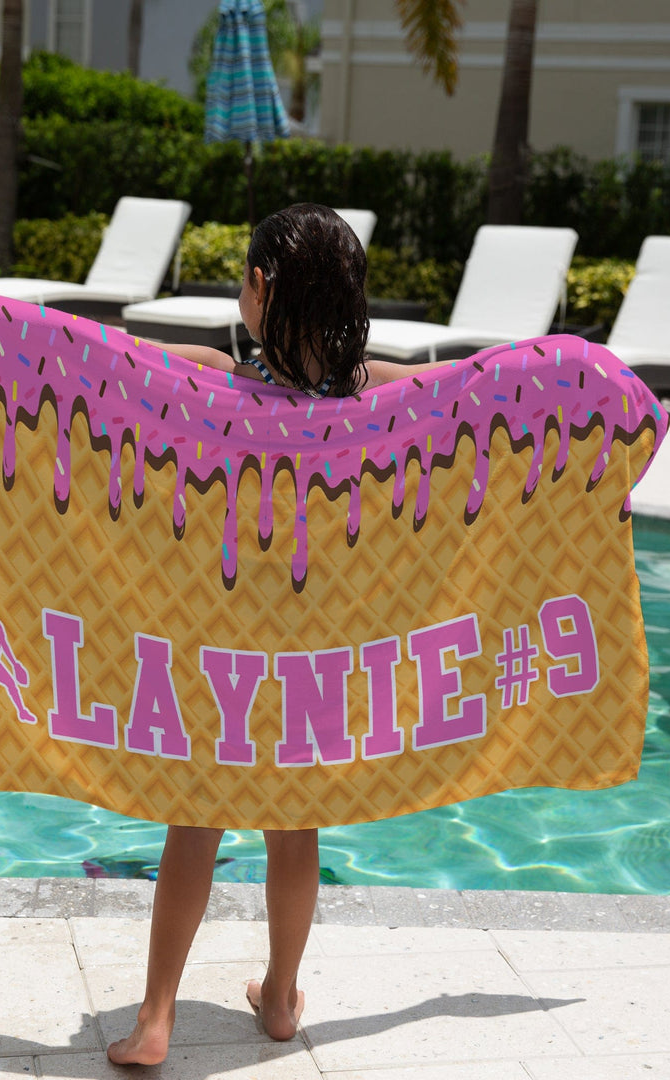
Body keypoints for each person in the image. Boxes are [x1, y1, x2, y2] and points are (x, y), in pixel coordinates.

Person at [106, 203, 428, 1067]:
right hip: (320, 651)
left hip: (220, 647)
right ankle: (281, 998)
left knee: (194, 822)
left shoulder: (210, 378)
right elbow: (480, 385)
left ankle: (157, 1019)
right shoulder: (372, 394)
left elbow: (89, 367)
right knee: (297, 828)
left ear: (257, 288)